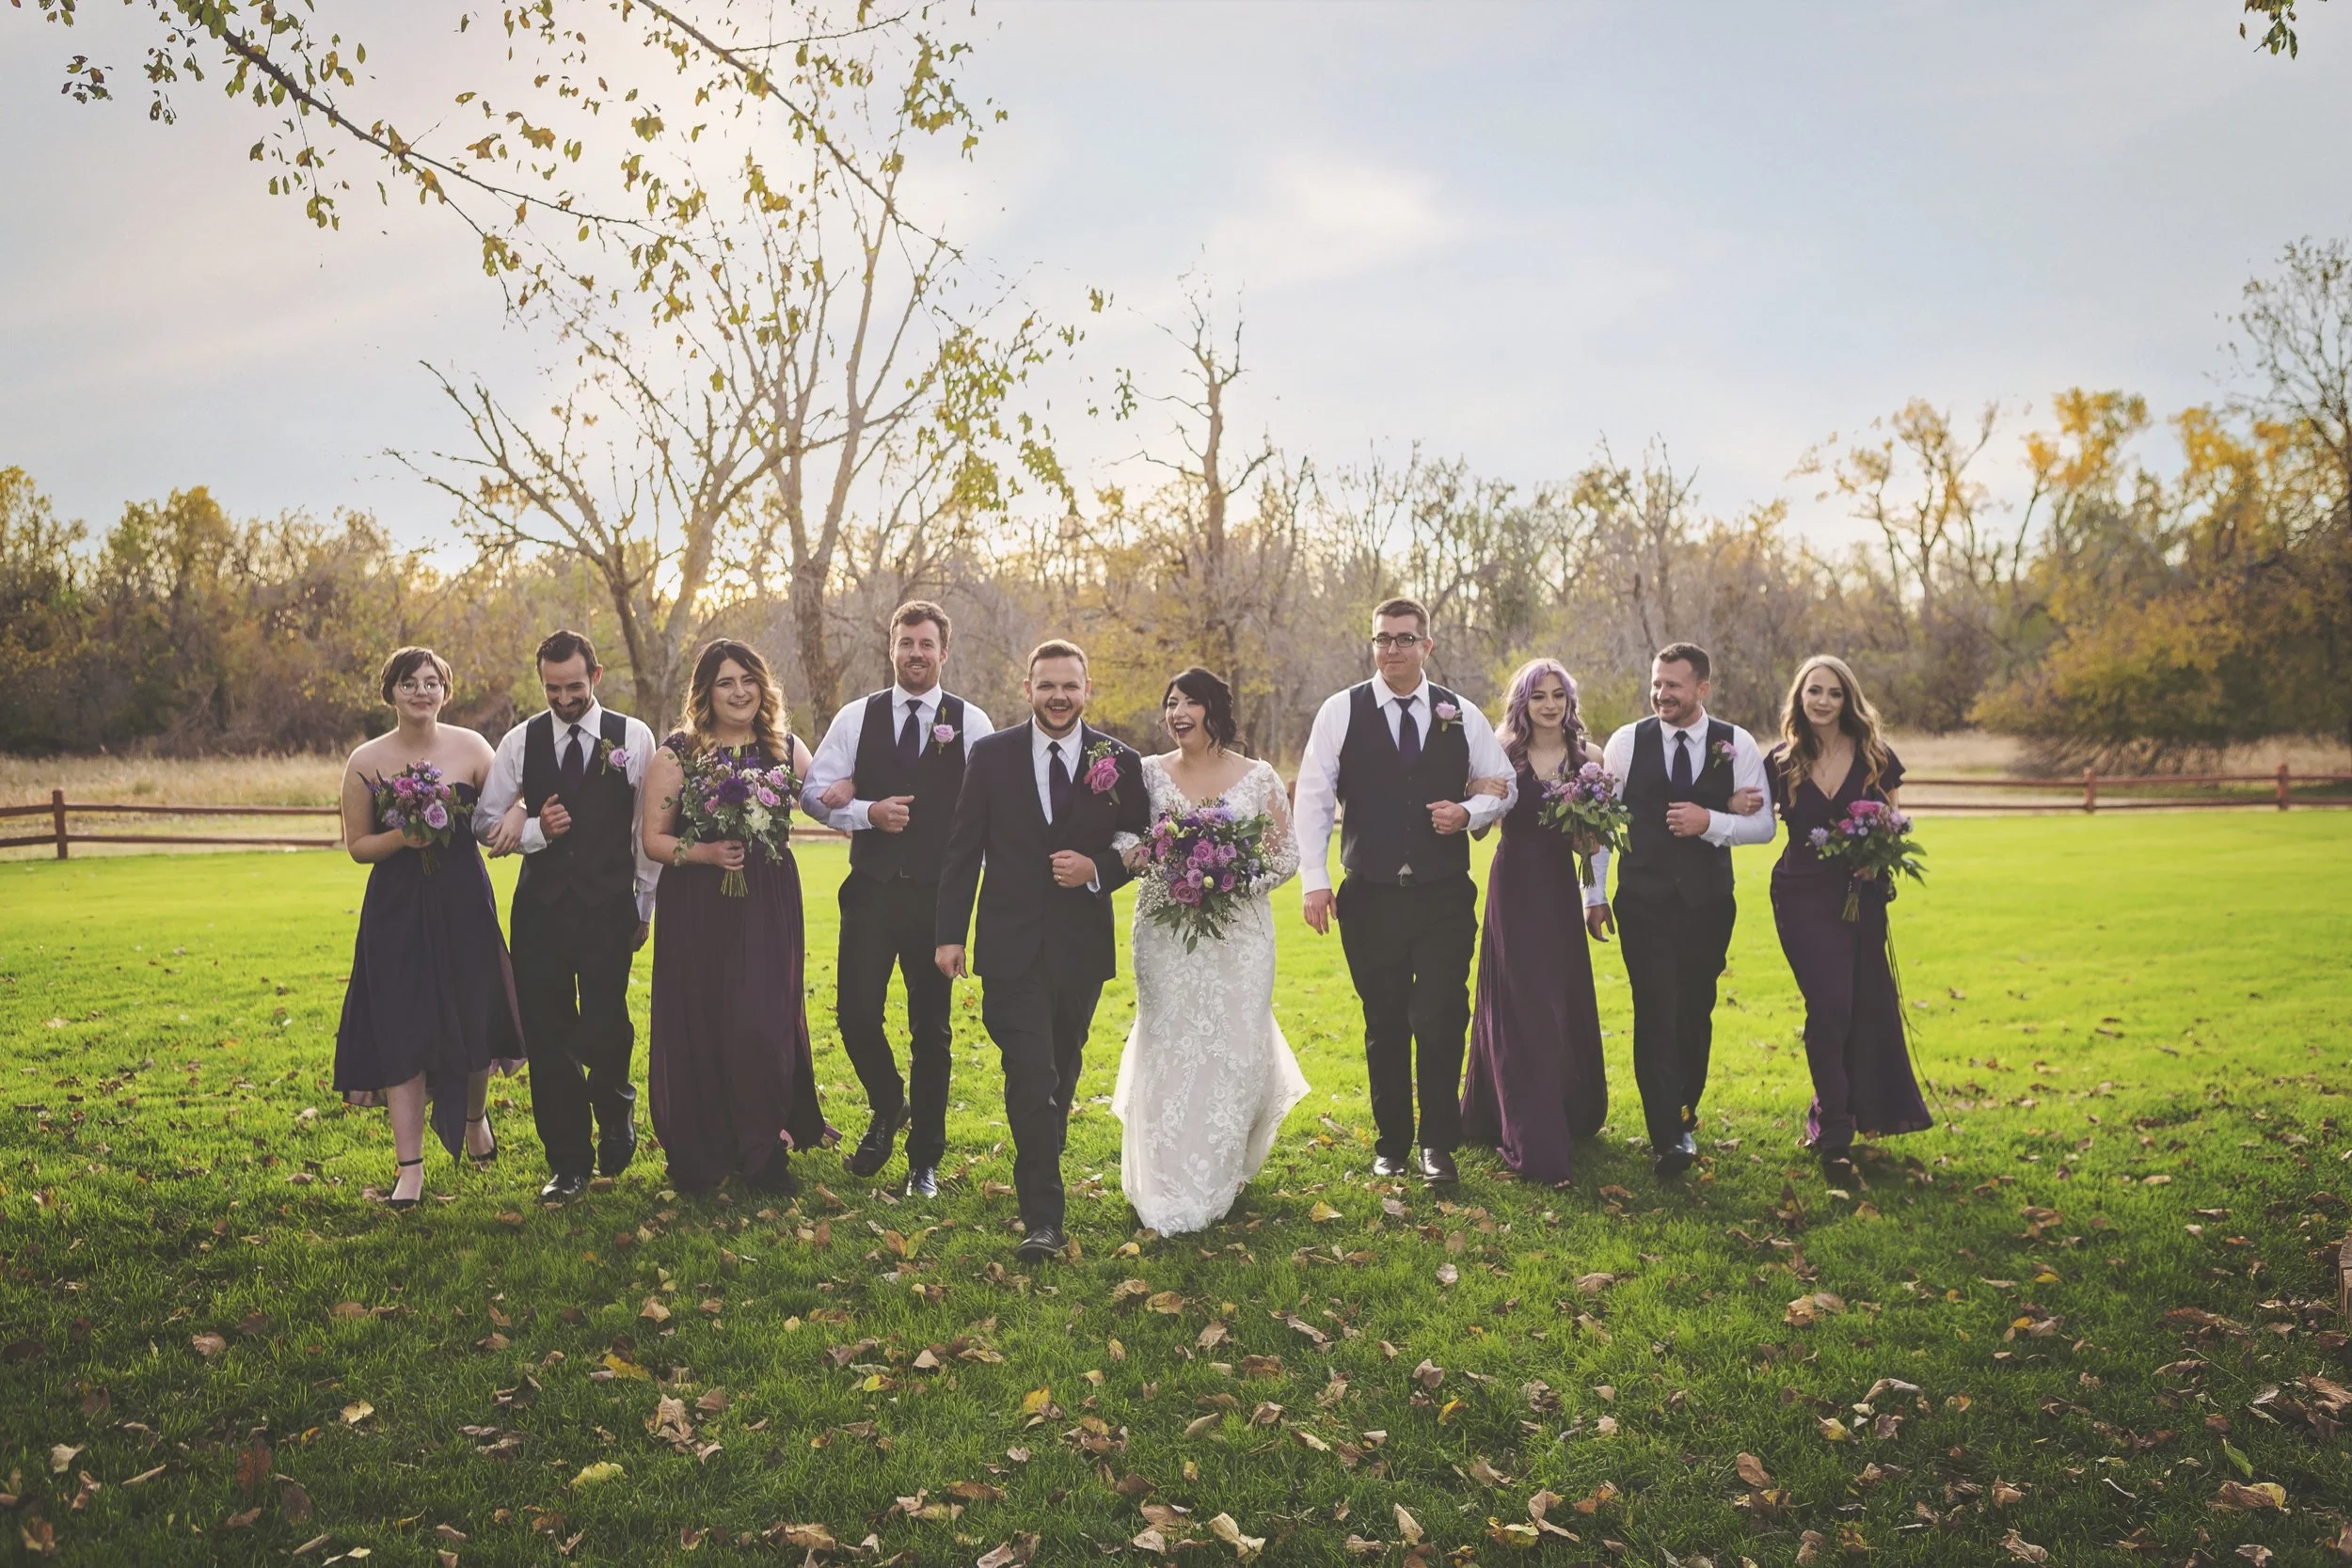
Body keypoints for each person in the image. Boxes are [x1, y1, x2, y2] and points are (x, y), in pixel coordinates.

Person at [934, 640, 1148, 1260]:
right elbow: (963, 846)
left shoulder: (1118, 760)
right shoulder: (991, 755)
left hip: (1080, 947)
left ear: (1087, 690)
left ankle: (1042, 1158)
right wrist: (949, 933)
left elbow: (1141, 839)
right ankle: (1043, 1219)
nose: (1059, 696)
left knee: (1061, 1069)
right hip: (1010, 945)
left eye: (1070, 685)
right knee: (1031, 1075)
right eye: (1047, 685)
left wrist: (1098, 867)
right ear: (1027, 689)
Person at [1294, 597, 1516, 1185]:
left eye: (1404, 639)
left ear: (1427, 646)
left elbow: (1506, 784)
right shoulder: (1341, 711)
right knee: (1385, 1021)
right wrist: (1315, 881)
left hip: (1443, 897)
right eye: (1382, 639)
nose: (1392, 649)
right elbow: (1312, 798)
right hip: (1370, 896)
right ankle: (1391, 1144)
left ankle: (1437, 1144)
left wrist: (1468, 812)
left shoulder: (1459, 712)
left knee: (1441, 1017)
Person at [800, 602, 993, 1198]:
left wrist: (973, 902)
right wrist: (866, 812)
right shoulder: (857, 717)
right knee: (856, 1016)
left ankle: (924, 1161)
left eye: (926, 644)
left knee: (931, 1031)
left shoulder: (972, 722)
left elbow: (990, 810)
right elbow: (812, 794)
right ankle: (889, 1104)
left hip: (937, 900)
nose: (916, 653)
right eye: (906, 642)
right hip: (871, 893)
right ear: (892, 648)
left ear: (943, 651)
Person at [1112, 668, 1308, 1233]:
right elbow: (1123, 837)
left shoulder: (1258, 777)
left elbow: (1285, 856)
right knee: (1169, 1039)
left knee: (1232, 1042)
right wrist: (1152, 856)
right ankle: (1164, 1174)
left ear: (1214, 711)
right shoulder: (1147, 773)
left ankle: (1219, 1168)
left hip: (1239, 937)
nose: (1177, 714)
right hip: (1165, 932)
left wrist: (1232, 878)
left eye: (1189, 703)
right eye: (1170, 703)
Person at [333, 647, 524, 1209]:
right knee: (403, 1026)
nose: (422, 691)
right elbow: (357, 845)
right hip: (396, 909)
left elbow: (508, 803)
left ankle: (474, 1119)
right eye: (409, 682)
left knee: (474, 1014)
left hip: (463, 900)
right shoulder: (365, 759)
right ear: (390, 692)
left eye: (431, 682)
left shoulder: (473, 747)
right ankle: (410, 1169)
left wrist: (518, 812)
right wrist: (403, 838)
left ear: (446, 690)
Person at [638, 640, 831, 1194]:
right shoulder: (677, 754)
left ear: (762, 687)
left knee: (762, 1020)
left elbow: (823, 802)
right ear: (706, 692)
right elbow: (653, 840)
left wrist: (865, 801)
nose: (740, 692)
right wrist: (705, 852)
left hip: (768, 899)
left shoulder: (785, 747)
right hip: (700, 905)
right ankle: (710, 1146)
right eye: (726, 682)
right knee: (707, 1018)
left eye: (748, 680)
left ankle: (763, 1147)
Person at [476, 629, 660, 1203]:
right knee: (548, 1035)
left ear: (595, 676)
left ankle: (615, 1105)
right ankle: (568, 1163)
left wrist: (644, 904)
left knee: (607, 1023)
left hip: (609, 905)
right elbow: (485, 823)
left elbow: (645, 828)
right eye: (552, 688)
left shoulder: (633, 736)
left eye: (573, 687)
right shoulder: (519, 741)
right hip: (541, 912)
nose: (562, 699)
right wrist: (535, 829)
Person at [1594, 642, 1775, 1178]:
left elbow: (1764, 825)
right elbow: (1602, 823)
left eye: (1673, 685)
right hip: (1643, 902)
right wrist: (1594, 894)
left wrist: (1711, 821)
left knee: (1695, 1010)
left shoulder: (1736, 743)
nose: (1661, 694)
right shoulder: (1626, 742)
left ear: (1702, 688)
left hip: (1708, 905)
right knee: (1654, 1009)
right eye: (1656, 683)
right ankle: (1666, 1136)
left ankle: (1684, 1113)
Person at [1763, 654, 1931, 1180]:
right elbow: (1749, 814)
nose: (1823, 701)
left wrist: (1876, 860)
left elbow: (1893, 823)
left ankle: (1841, 1109)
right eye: (1814, 690)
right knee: (1829, 1006)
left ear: (1848, 700)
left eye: (1834, 693)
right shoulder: (1781, 761)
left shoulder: (1877, 757)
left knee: (1861, 1006)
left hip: (1862, 898)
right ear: (1800, 696)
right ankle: (1834, 1131)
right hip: (1801, 896)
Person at [1458, 658, 1609, 1185]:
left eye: (1557, 696)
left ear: (1569, 702)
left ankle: (1564, 1108)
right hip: (1514, 890)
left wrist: (1594, 893)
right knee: (1524, 1011)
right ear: (1522, 703)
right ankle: (1535, 1140)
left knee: (1556, 1004)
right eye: (1538, 696)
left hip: (1560, 892)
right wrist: (1478, 793)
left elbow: (1593, 844)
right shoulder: (1501, 752)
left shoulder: (1589, 759)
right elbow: (1479, 829)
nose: (1549, 705)